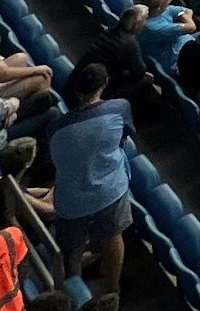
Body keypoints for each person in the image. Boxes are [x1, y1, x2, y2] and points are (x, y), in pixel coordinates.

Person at [48, 64, 134, 299]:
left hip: (71, 198)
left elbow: (55, 160)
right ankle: (112, 292)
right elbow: (125, 138)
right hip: (110, 191)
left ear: (77, 91)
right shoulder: (120, 107)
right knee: (113, 236)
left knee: (73, 251)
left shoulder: (56, 129)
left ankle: (77, 297)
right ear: (103, 85)